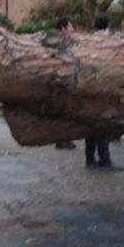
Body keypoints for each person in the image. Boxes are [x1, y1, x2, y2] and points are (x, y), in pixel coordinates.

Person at [53, 17, 79, 150]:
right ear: (63, 29)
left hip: (66, 80)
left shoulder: (66, 41)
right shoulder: (60, 43)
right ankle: (62, 139)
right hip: (62, 82)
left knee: (66, 111)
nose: (72, 29)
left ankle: (64, 139)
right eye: (70, 27)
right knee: (64, 111)